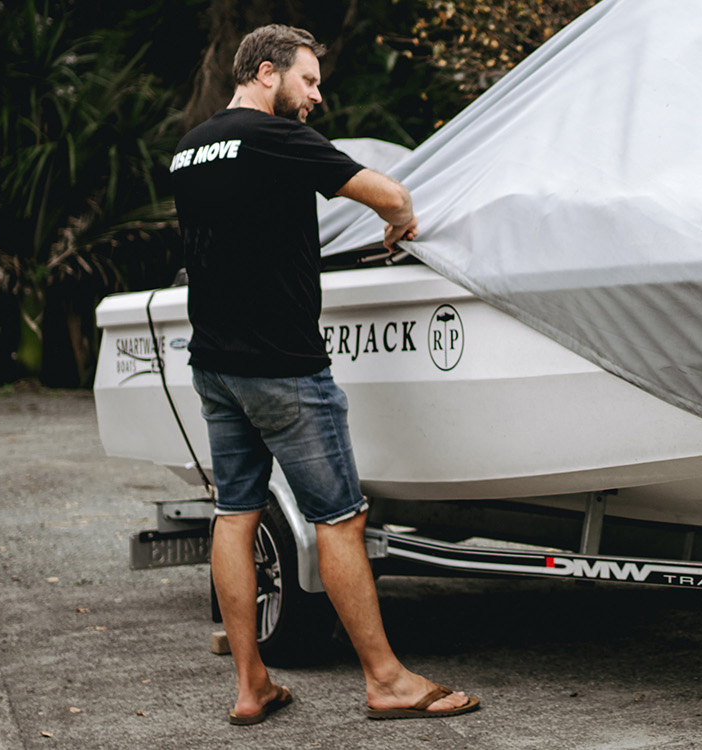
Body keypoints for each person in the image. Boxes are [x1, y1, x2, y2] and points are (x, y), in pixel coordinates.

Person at [170, 24, 480, 725]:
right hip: (284, 369)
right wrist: (401, 222)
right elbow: (387, 195)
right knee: (340, 518)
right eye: (308, 80)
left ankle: (251, 685)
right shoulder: (278, 138)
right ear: (268, 71)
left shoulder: (190, 149)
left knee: (235, 514)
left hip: (215, 366)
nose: (316, 96)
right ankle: (387, 680)